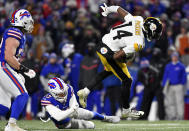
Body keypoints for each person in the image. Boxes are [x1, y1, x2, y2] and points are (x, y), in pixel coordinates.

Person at [77, 3, 162, 118]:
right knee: (127, 80)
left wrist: (108, 10)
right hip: (108, 52)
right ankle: (126, 111)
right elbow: (117, 56)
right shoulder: (139, 43)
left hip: (103, 43)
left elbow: (118, 9)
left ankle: (85, 91)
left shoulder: (138, 19)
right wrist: (126, 59)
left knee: (109, 70)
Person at [0, 9, 36, 131]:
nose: (31, 25)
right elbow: (8, 56)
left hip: (4, 66)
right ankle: (11, 125)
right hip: (3, 66)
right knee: (22, 94)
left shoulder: (18, 33)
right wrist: (24, 70)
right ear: (23, 21)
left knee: (4, 107)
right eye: (29, 22)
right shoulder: (15, 31)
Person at [41, 77, 120, 129]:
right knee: (91, 125)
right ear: (53, 93)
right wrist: (72, 109)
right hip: (63, 122)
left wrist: (73, 109)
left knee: (89, 114)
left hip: (70, 111)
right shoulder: (47, 100)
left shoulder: (68, 88)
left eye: (64, 92)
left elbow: (75, 105)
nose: (64, 95)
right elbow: (59, 117)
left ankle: (106, 118)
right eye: (61, 94)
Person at [162, 52, 187, 120]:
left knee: (179, 102)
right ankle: (173, 116)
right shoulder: (168, 66)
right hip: (170, 86)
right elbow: (165, 76)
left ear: (177, 57)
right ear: (171, 57)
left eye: (175, 56)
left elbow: (184, 76)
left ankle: (180, 116)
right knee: (171, 102)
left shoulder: (181, 66)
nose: (174, 58)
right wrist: (164, 85)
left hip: (178, 86)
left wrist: (182, 83)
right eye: (173, 57)